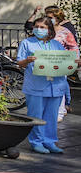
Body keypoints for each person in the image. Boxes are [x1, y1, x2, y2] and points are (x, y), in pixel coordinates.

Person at [19, 16, 67, 154]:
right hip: (36, 86)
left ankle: (50, 141)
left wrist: (74, 62)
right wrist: (27, 60)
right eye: (36, 27)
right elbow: (19, 63)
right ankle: (37, 142)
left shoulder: (56, 44)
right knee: (36, 115)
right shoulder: (27, 43)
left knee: (52, 116)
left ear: (49, 29)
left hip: (56, 86)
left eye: (42, 27)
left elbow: (64, 61)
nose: (38, 29)